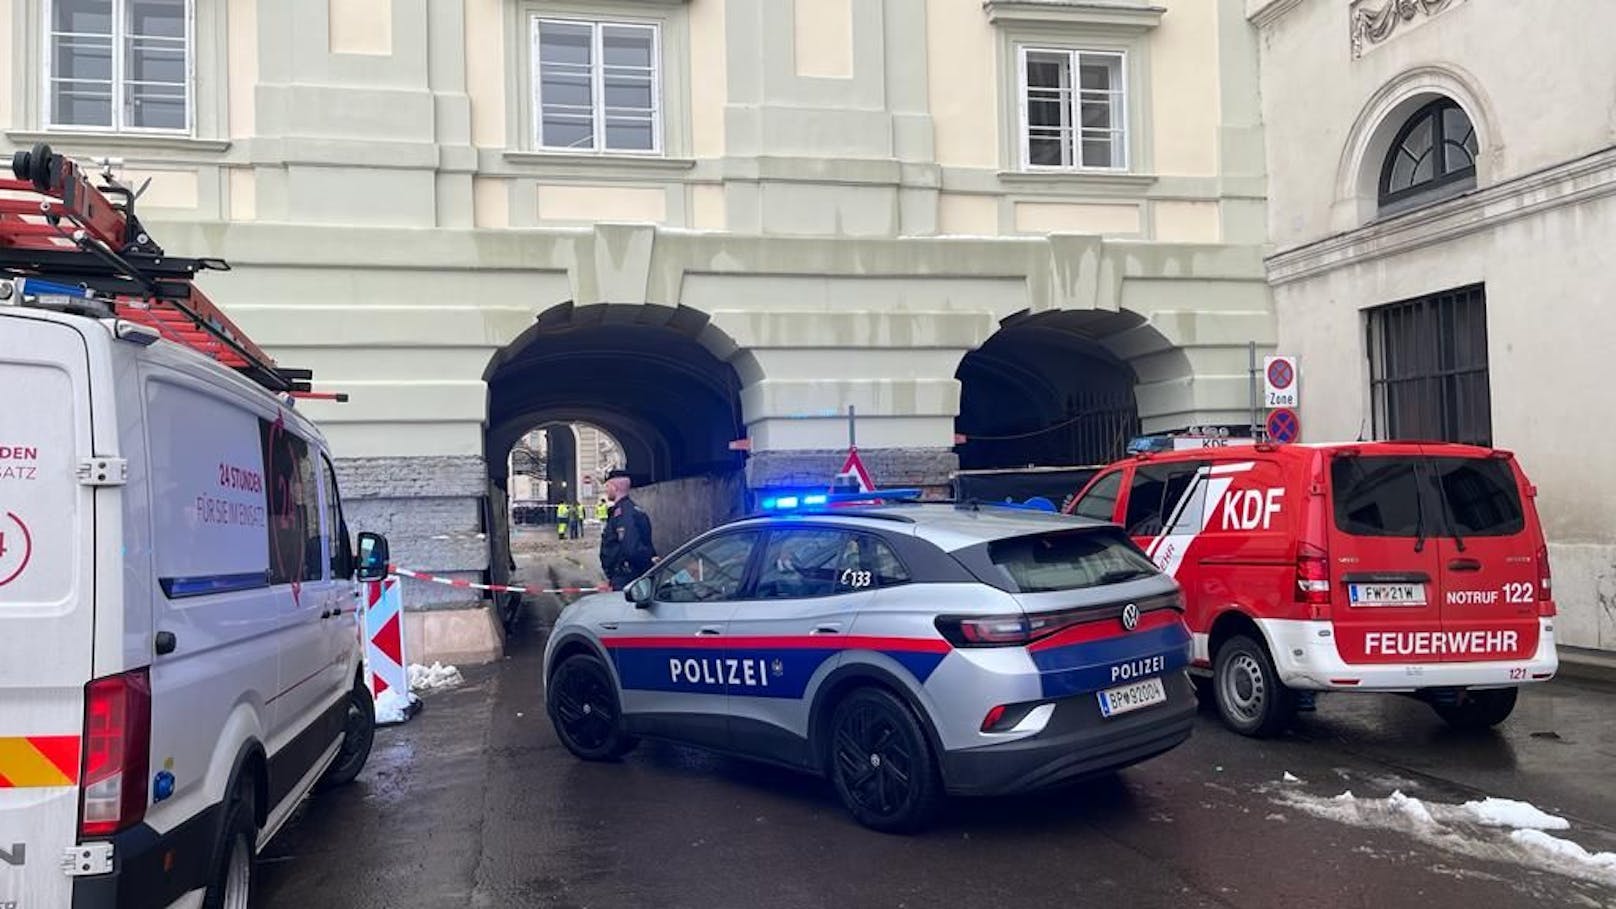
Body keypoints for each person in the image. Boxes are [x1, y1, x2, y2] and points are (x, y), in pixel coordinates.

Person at [599, 469, 656, 590]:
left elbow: (631, 548)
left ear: (615, 488)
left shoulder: (624, 514)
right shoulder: (630, 510)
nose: (606, 490)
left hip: (626, 578)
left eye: (607, 486)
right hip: (627, 575)